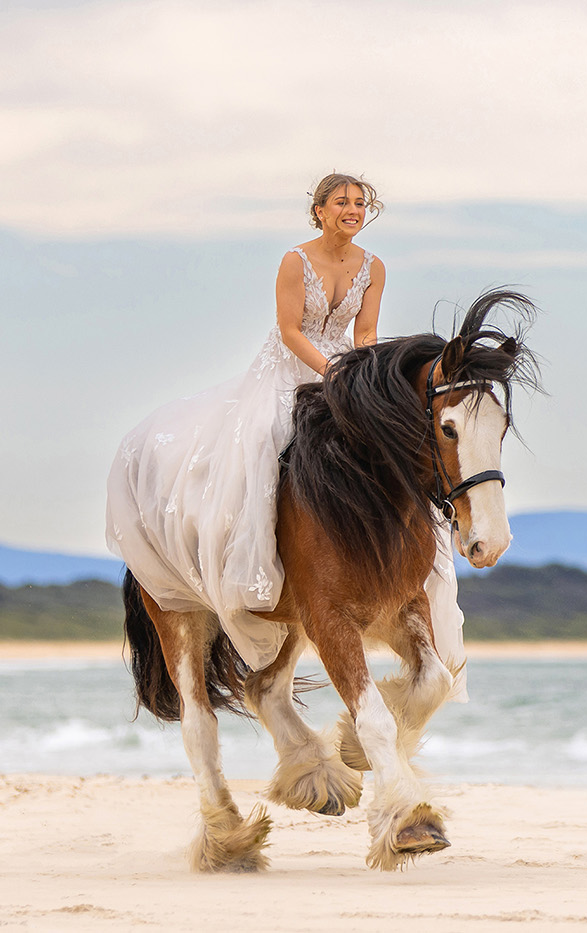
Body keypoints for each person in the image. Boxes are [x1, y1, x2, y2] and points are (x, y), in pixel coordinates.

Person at [105, 173, 468, 701]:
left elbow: (364, 334)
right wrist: (333, 374)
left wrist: (363, 374)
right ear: (318, 211)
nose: (353, 209)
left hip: (348, 371)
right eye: (342, 202)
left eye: (360, 203)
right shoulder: (295, 261)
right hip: (289, 372)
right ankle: (251, 563)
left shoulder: (374, 266)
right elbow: (291, 330)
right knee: (262, 449)